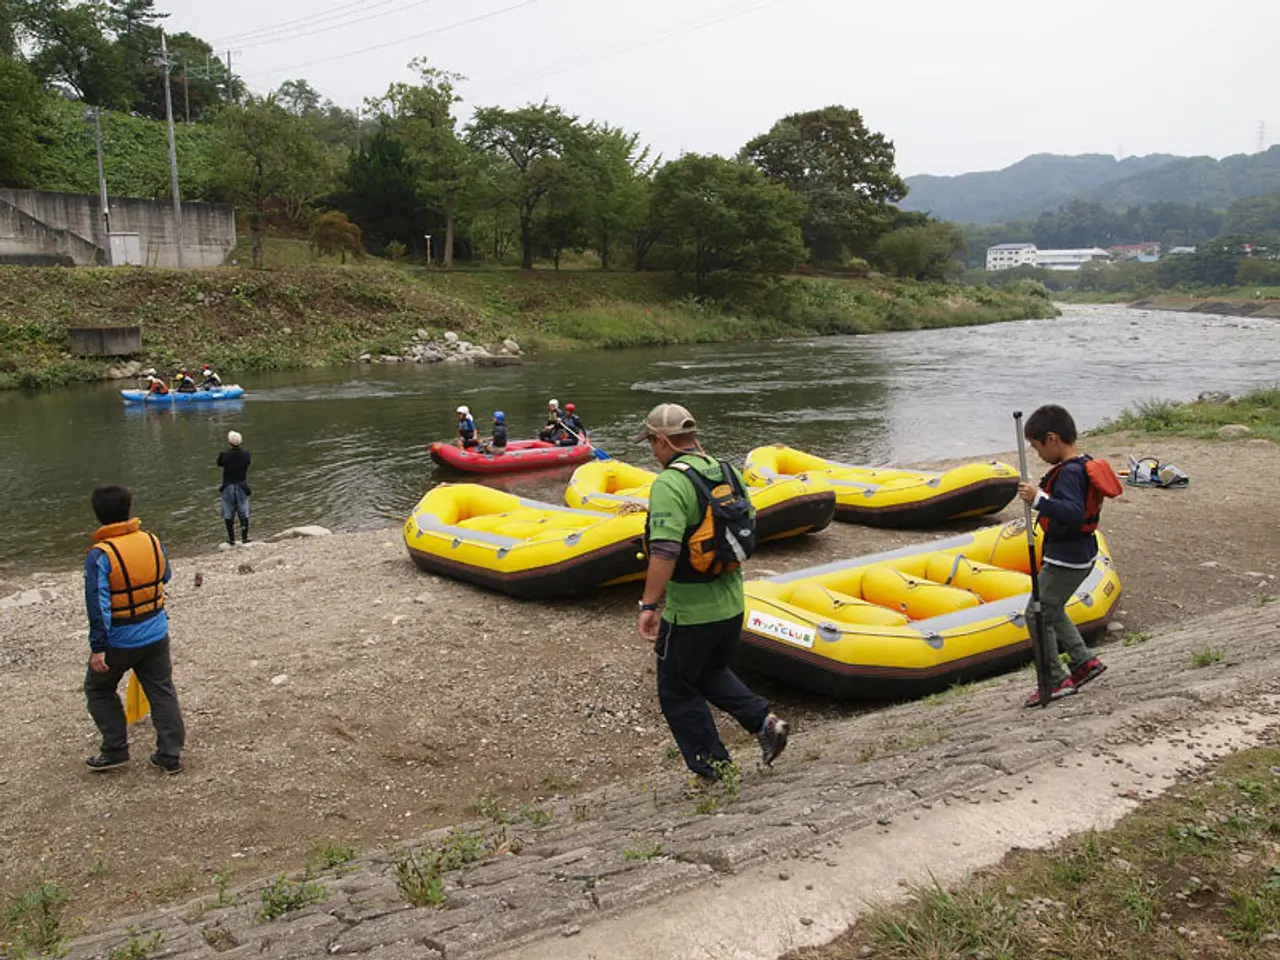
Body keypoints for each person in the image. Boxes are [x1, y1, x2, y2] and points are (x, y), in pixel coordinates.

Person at [633, 402, 789, 782]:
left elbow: (666, 550)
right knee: (707, 672)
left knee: (675, 689)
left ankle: (715, 771)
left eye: (652, 443)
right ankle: (765, 724)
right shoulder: (727, 471)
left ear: (664, 440)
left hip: (690, 613)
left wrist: (649, 604)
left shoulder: (670, 483)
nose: (653, 451)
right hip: (732, 606)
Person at [82, 484, 185, 774]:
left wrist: (98, 647)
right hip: (155, 631)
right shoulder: (151, 540)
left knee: (98, 690)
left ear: (98, 515)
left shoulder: (100, 555)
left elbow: (98, 605)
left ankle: (115, 750)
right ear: (129, 509)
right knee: (162, 689)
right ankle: (170, 754)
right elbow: (165, 575)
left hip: (120, 640)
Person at [1017, 404, 1115, 707]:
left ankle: (1056, 681)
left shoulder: (1071, 472)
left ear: (1052, 439)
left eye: (1036, 448)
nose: (1037, 455)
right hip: (1079, 553)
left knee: (1036, 614)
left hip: (1067, 558)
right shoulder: (1081, 463)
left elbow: (1072, 512)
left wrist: (1039, 498)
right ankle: (1083, 661)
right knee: (1052, 607)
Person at [217, 430, 252, 545]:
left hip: (228, 487)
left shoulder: (224, 455)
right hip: (242, 486)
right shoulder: (246, 455)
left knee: (228, 513)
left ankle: (231, 539)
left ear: (229, 442)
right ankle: (244, 537)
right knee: (243, 513)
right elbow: (248, 463)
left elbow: (219, 463)